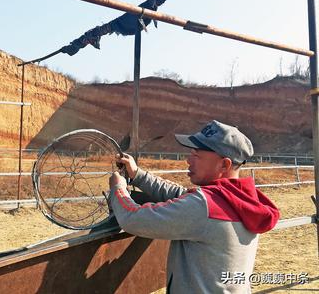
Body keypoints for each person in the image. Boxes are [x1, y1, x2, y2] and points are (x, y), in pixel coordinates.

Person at [108, 120, 280, 294]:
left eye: (196, 155)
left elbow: (133, 218)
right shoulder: (243, 199)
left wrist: (118, 188)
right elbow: (182, 195)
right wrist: (138, 174)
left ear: (224, 164)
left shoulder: (202, 206)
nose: (188, 160)